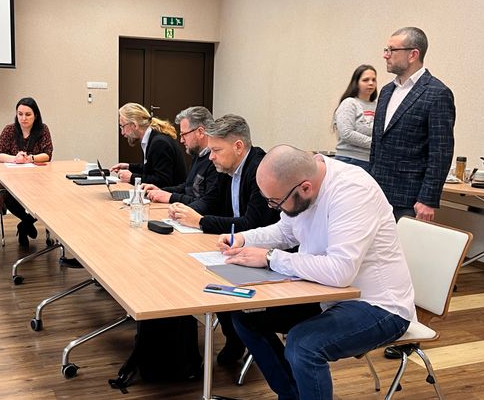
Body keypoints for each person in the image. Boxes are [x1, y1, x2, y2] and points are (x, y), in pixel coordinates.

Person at [217, 145, 416, 400]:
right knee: (246, 316)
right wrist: (243, 239)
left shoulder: (353, 191)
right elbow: (285, 231)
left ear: (305, 188)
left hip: (379, 305)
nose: (274, 207)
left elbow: (340, 271)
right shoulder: (302, 183)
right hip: (325, 293)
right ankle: (292, 395)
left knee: (303, 345)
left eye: (276, 201)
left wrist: (269, 257)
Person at [169, 114, 279, 365]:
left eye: (216, 150)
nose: (211, 157)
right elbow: (212, 201)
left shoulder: (259, 171)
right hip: (237, 245)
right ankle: (234, 337)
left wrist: (200, 221)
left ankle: (238, 338)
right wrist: (187, 212)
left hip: (263, 251)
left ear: (238, 146)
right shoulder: (228, 168)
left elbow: (252, 224)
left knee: (213, 278)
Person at [370, 27, 455, 222]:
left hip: (410, 198)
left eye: (392, 50)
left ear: (413, 54)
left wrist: (428, 199)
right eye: (386, 49)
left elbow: (441, 153)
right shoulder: (386, 91)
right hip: (377, 194)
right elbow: (377, 144)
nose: (385, 55)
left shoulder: (437, 93)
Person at [0, 97, 53, 248]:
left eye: (28, 114)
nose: (23, 118)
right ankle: (26, 222)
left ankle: (23, 226)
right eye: (20, 114)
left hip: (37, 179)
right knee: (6, 195)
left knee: (48, 199)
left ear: (36, 115)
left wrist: (30, 158)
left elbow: (47, 154)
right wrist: (15, 159)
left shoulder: (43, 130)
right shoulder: (9, 130)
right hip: (12, 179)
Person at [142, 106, 218, 214]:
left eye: (184, 134)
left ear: (200, 132)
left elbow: (206, 204)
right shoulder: (198, 154)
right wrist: (161, 191)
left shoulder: (215, 160)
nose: (181, 140)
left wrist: (171, 197)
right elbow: (187, 187)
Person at [110, 103, 186, 188]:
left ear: (135, 125)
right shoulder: (152, 138)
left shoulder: (159, 143)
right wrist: (129, 167)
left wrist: (132, 178)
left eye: (123, 126)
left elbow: (163, 181)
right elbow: (150, 168)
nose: (122, 133)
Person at [333, 64, 377, 171]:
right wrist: (375, 144)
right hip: (349, 160)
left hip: (370, 161)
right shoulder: (349, 103)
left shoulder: (378, 106)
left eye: (374, 80)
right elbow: (346, 133)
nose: (371, 83)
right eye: (365, 80)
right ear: (356, 83)